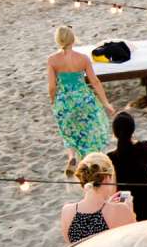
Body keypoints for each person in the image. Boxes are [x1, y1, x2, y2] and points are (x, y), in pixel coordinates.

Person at [47, 25, 115, 175]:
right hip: (83, 99)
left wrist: (53, 101)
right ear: (73, 39)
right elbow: (95, 82)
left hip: (64, 101)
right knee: (90, 128)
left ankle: (72, 157)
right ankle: (90, 159)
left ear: (58, 41)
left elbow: (52, 87)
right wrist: (105, 103)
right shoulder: (83, 59)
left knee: (69, 131)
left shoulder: (52, 60)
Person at [109, 110, 147, 222]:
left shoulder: (111, 157)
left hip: (125, 204)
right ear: (132, 129)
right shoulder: (146, 147)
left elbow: (113, 189)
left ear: (115, 133)